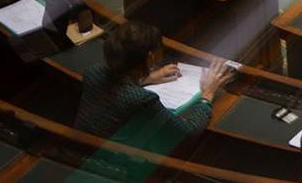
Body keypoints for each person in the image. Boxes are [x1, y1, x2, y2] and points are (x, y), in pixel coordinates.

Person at [74, 21, 233, 152]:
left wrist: (147, 78)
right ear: (151, 56)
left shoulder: (93, 72)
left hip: (81, 147)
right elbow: (187, 133)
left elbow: (117, 83)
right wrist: (208, 94)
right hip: (114, 163)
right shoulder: (142, 99)